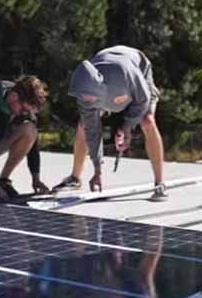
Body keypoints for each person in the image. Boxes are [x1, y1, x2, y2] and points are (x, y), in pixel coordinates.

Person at [55, 46, 167, 200]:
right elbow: (92, 131)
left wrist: (127, 127)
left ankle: (159, 184)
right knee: (83, 126)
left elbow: (142, 100)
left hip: (136, 67)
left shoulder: (125, 74)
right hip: (106, 71)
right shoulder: (85, 93)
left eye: (89, 98)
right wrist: (97, 171)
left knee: (148, 121)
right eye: (83, 98)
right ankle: (75, 178)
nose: (86, 101)